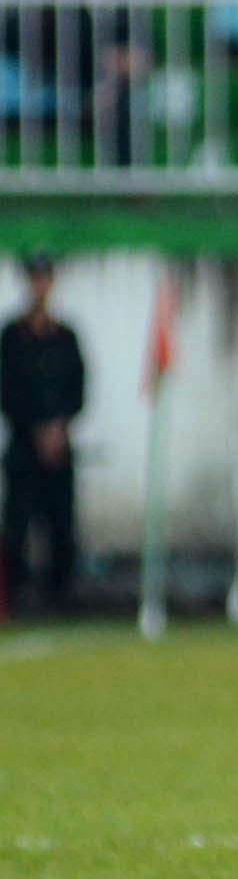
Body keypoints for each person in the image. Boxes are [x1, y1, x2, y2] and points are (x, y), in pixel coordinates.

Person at [2, 252, 86, 615]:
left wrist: (59, 428)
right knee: (18, 525)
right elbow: (7, 390)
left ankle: (60, 597)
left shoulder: (65, 338)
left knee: (61, 526)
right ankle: (17, 594)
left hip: (59, 448)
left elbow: (79, 389)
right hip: (23, 446)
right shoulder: (12, 337)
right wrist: (36, 428)